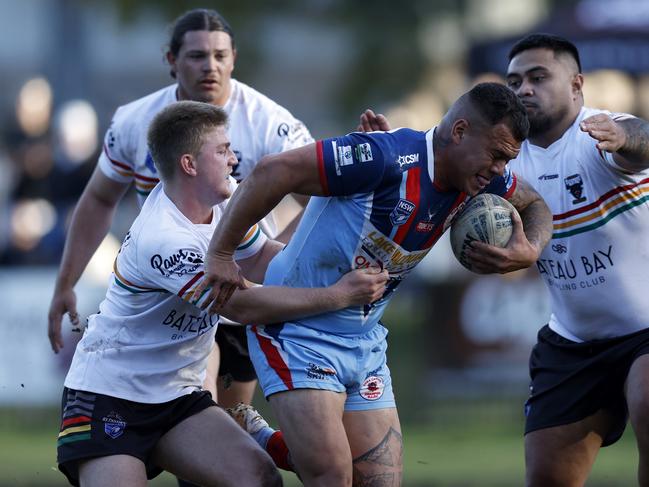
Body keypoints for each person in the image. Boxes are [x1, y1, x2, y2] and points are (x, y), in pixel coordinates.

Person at [195, 82, 553, 486]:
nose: (500, 170)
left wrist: (531, 249)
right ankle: (255, 442)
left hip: (363, 341)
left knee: (378, 480)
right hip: (296, 331)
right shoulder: (382, 157)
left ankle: (260, 437)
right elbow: (272, 171)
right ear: (459, 132)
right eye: (496, 155)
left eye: (507, 161)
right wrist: (221, 254)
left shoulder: (479, 178)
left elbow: (536, 204)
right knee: (332, 474)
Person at [56, 100, 389, 487]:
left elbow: (267, 262)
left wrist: (351, 174)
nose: (234, 160)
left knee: (260, 480)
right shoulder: (163, 239)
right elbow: (243, 305)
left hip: (179, 400)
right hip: (109, 398)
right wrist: (337, 296)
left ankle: (257, 435)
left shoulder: (224, 206)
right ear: (189, 164)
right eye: (223, 150)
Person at [47, 8, 315, 412]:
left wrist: (262, 260)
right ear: (171, 61)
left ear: (234, 59)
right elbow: (100, 199)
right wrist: (65, 282)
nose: (210, 66)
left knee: (229, 423)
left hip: (241, 291)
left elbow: (319, 197)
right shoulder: (134, 122)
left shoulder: (271, 125)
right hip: (168, 297)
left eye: (220, 55)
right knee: (194, 409)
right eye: (196, 56)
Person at [505, 33, 649, 487]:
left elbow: (642, 141)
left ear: (576, 84)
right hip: (573, 341)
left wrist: (624, 136)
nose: (523, 88)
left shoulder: (600, 132)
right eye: (514, 81)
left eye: (538, 76)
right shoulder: (504, 162)